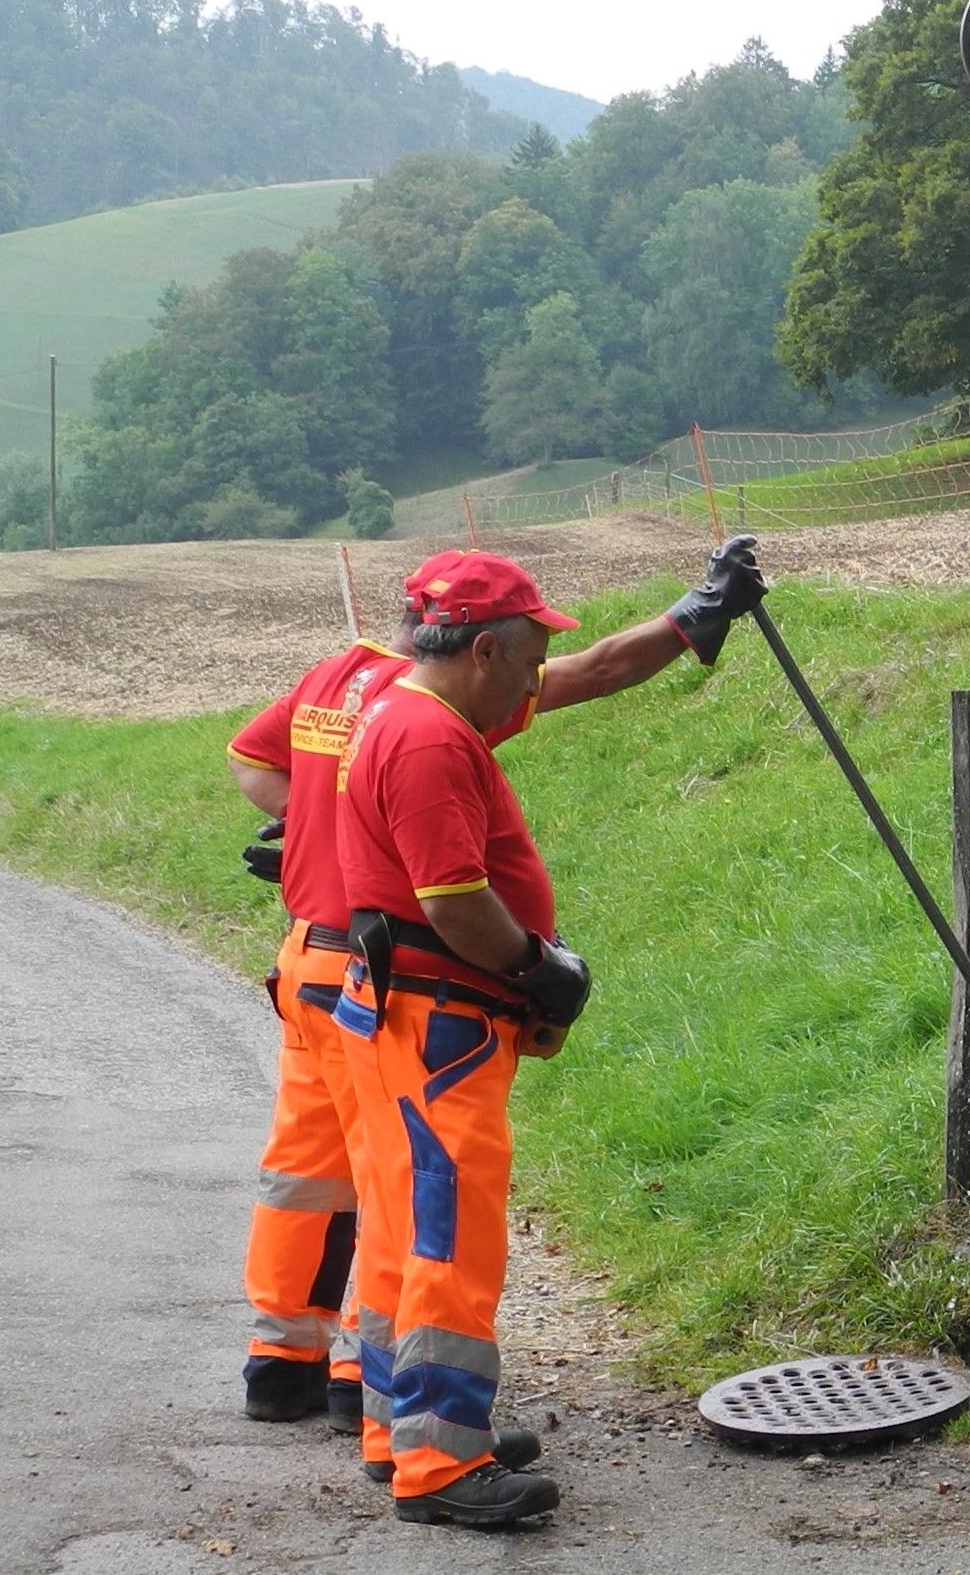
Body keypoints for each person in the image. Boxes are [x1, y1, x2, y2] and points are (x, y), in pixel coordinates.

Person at [221, 537, 762, 1452]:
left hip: (318, 963)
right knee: (413, 1195)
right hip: (397, 978)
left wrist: (311, 824)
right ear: (480, 647)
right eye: (524, 656)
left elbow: (247, 759)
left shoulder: (336, 685)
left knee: (312, 1177)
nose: (533, 676)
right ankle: (387, 1401)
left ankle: (290, 1367)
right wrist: (694, 616)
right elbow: (589, 675)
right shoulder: (428, 718)